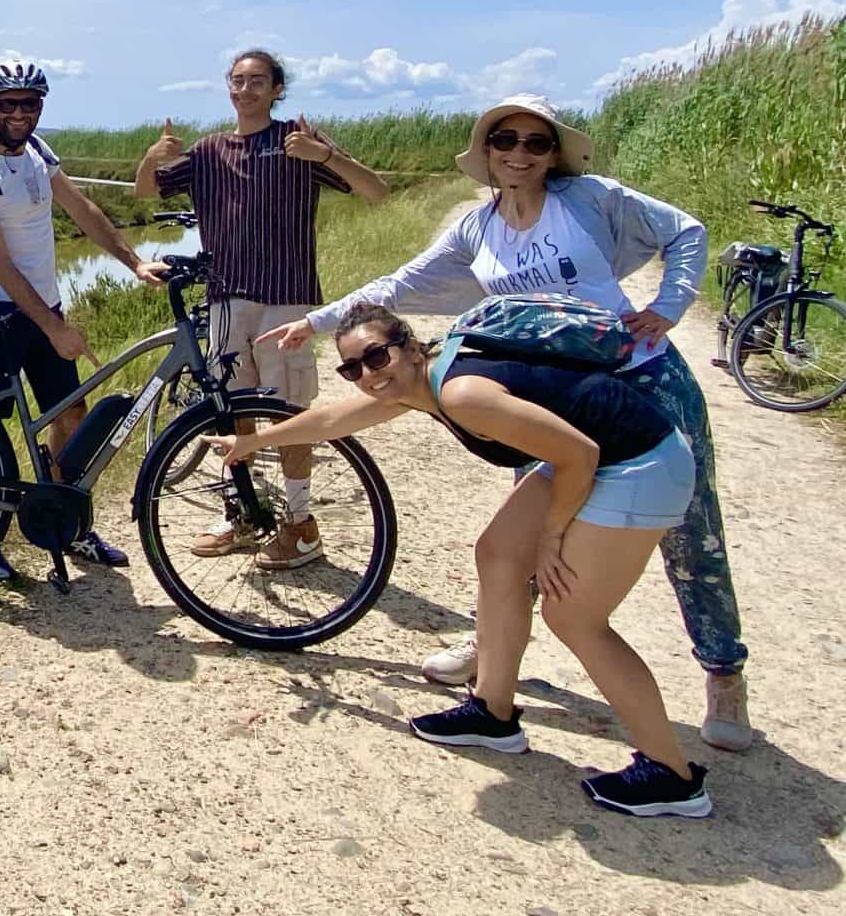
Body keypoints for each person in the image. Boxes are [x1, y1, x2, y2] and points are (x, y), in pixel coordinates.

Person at [260, 95, 751, 751]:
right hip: (542, 395)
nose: (520, 154)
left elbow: (685, 231)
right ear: (486, 153)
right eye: (505, 142)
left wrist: (667, 305)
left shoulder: (588, 199)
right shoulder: (476, 228)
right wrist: (319, 322)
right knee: (511, 542)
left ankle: (723, 671)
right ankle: (494, 660)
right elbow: (399, 285)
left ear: (553, 153)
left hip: (640, 378)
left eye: (535, 143)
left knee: (692, 532)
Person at [211, 302, 712, 817]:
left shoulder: (461, 392)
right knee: (497, 557)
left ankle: (672, 774)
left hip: (638, 462)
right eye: (352, 368)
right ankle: (492, 713)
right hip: (597, 454)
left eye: (376, 357)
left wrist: (553, 537)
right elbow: (334, 418)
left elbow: (577, 456)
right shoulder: (419, 384)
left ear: (407, 347)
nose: (368, 375)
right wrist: (250, 441)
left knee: (574, 616)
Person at [133, 48, 387, 568]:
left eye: (257, 82)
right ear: (227, 87)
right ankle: (242, 513)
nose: (245, 90)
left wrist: (326, 158)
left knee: (291, 412)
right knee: (234, 411)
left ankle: (300, 525)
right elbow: (142, 192)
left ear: (276, 90)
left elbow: (376, 192)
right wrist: (151, 158)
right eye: (237, 80)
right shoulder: (208, 150)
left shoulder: (298, 139)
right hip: (227, 298)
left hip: (284, 299)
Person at [0, 60, 170, 581]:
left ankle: (65, 525)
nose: (20, 114)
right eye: (9, 104)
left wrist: (134, 261)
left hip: (43, 310)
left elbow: (81, 207)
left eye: (30, 104)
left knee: (71, 418)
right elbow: (0, 267)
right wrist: (54, 328)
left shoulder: (38, 154)